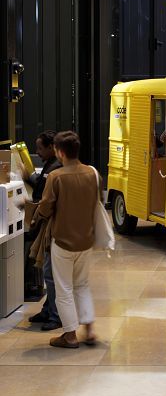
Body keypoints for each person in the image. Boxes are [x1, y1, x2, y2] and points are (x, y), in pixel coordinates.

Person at [35, 131, 101, 349]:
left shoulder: (56, 177)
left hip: (63, 241)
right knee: (82, 285)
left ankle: (70, 335)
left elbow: (45, 209)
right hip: (86, 240)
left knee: (64, 288)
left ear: (60, 152)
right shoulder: (92, 173)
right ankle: (89, 330)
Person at [24, 131, 62, 330]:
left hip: (51, 227)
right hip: (48, 225)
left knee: (50, 273)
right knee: (48, 272)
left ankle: (55, 316)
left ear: (51, 147)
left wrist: (34, 213)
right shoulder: (52, 166)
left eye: (40, 148)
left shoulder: (55, 170)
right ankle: (48, 310)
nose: (37, 153)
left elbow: (47, 201)